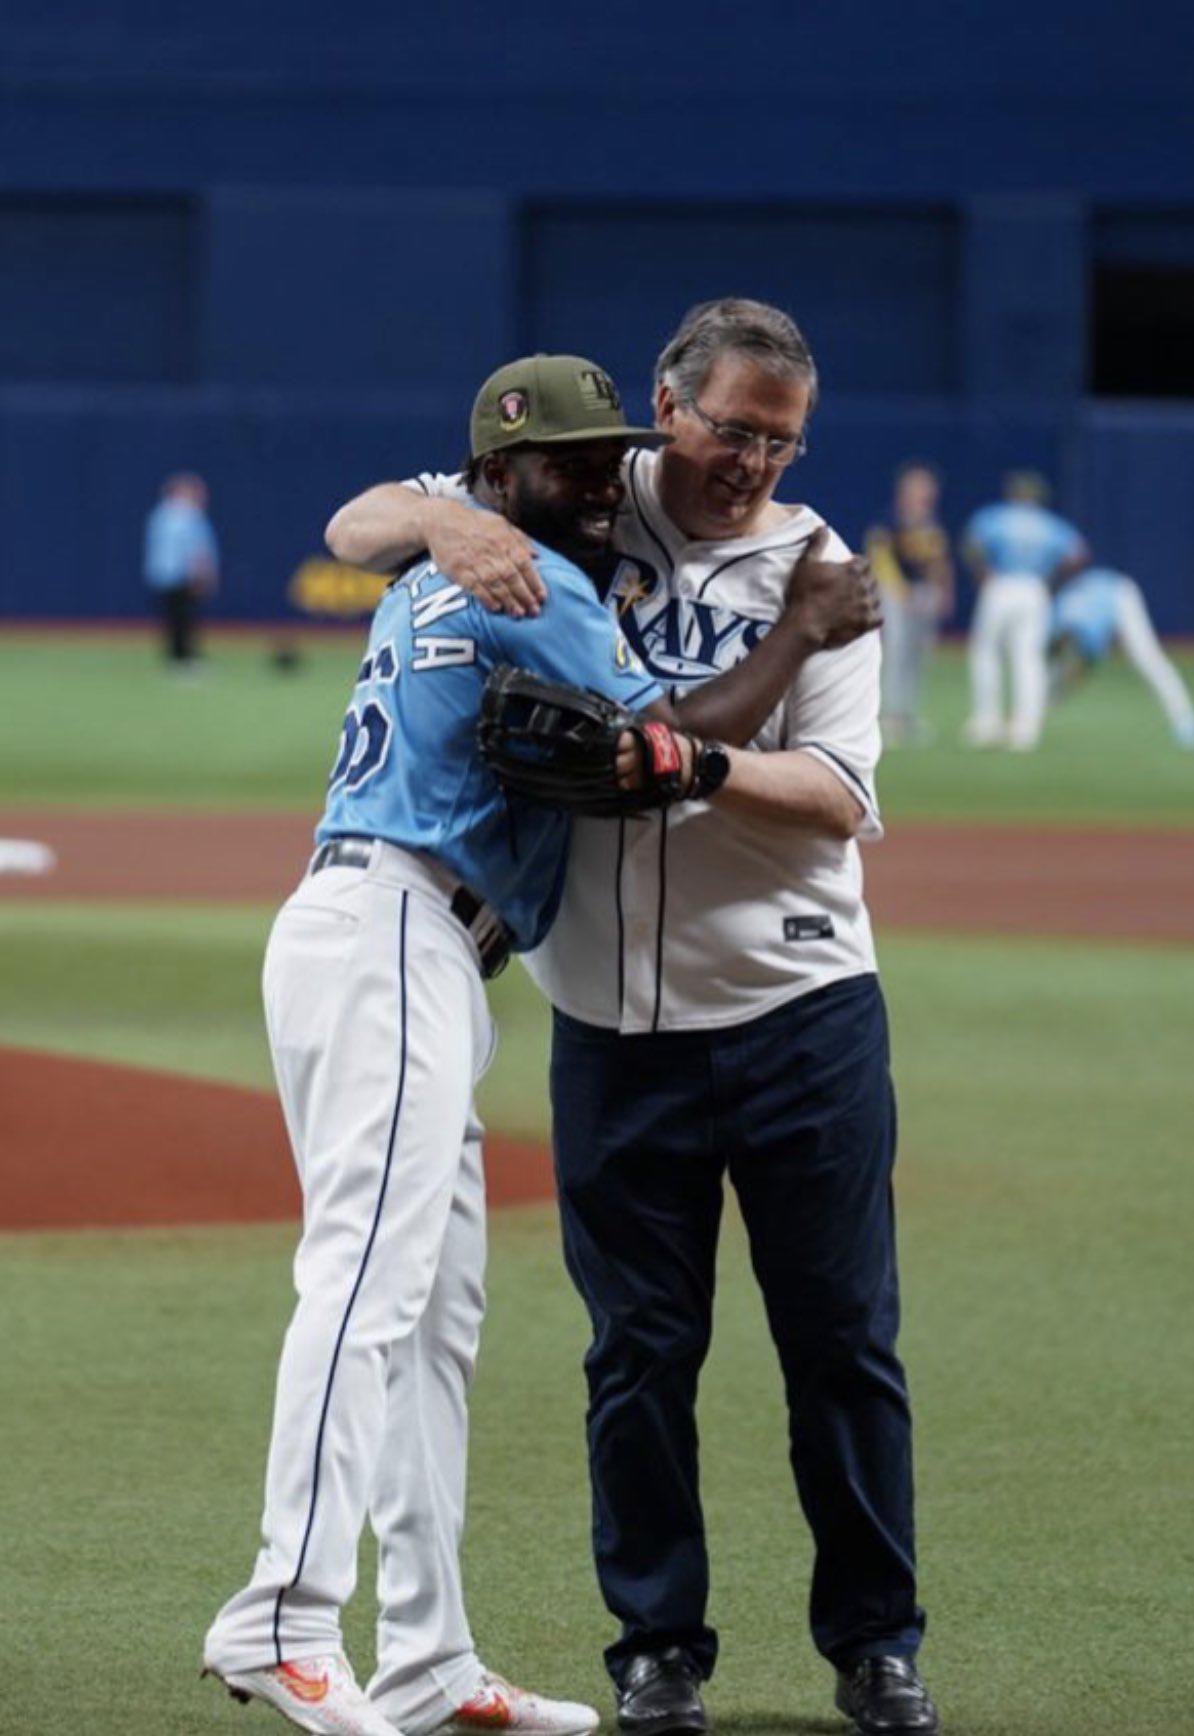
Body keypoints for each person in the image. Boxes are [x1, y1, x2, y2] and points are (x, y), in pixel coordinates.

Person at [205, 348, 874, 1736]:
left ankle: (430, 1657)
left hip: (397, 936)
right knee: (369, 1285)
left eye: (595, 458)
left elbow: (369, 520)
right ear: (496, 478)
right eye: (560, 464)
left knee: (438, 1317)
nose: (588, 481)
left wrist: (446, 518)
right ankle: (281, 1610)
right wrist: (802, 627)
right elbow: (674, 744)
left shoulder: (441, 558)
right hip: (393, 930)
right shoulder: (544, 582)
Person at [961, 470, 1088, 751]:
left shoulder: (995, 516)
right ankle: (1025, 729)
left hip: (1001, 584)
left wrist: (982, 573)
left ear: (1013, 493)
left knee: (985, 652)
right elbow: (1078, 554)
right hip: (1034, 587)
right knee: (1028, 659)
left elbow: (972, 543)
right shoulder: (1051, 524)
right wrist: (1053, 580)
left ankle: (987, 722)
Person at [1049, 565, 1194, 747]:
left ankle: (1186, 720)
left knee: (1146, 659)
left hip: (1121, 595)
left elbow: (1084, 666)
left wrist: (1059, 692)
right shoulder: (1058, 613)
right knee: (1057, 674)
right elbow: (1061, 657)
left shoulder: (1083, 628)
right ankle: (1039, 707)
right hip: (1099, 592)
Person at [865, 462, 953, 744]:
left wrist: (942, 591)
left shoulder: (929, 523)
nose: (926, 494)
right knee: (894, 652)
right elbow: (880, 560)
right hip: (895, 594)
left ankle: (907, 713)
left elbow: (938, 561)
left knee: (918, 654)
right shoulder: (889, 520)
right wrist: (901, 594)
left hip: (923, 593)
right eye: (920, 487)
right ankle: (886, 714)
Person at [142, 472, 218, 666]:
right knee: (183, 617)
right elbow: (195, 549)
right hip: (182, 574)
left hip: (164, 574)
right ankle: (183, 657)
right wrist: (201, 574)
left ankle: (179, 655)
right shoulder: (187, 515)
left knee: (176, 617)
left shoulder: (160, 514)